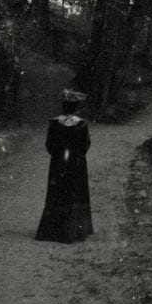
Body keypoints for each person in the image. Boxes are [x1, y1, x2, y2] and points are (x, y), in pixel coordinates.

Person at [35, 89, 93, 243]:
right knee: (75, 192)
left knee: (57, 192)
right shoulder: (82, 124)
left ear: (63, 106)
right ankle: (75, 229)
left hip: (58, 164)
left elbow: (49, 145)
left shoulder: (54, 123)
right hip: (76, 163)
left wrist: (59, 154)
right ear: (76, 107)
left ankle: (53, 229)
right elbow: (85, 145)